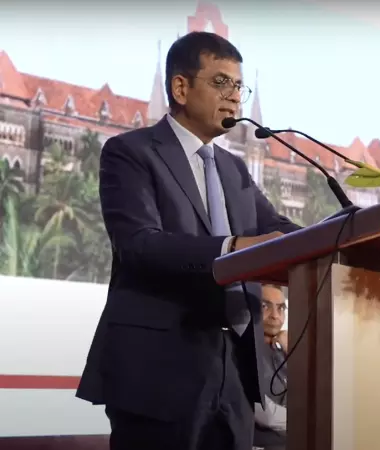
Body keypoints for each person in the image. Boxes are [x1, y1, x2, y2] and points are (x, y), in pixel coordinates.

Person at [75, 32, 300, 450]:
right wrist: (234, 248)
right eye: (221, 82)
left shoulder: (233, 169)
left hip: (234, 369)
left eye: (239, 87)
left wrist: (347, 230)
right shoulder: (131, 152)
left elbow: (280, 229)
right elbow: (139, 245)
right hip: (159, 368)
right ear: (180, 88)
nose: (234, 97)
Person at [254, 284, 289, 450]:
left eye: (281, 308)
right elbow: (266, 415)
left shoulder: (282, 349)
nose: (275, 316)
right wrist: (310, 420)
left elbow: (308, 396)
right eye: (265, 306)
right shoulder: (240, 350)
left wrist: (293, 352)